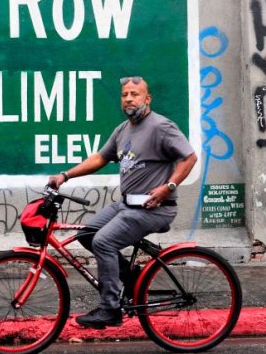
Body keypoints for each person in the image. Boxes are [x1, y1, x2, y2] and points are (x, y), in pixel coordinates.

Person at [47, 75, 197, 329]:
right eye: (125, 94)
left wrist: (168, 187)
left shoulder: (161, 126)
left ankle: (109, 309)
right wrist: (65, 175)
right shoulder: (122, 130)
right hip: (127, 204)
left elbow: (189, 158)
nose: (129, 98)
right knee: (87, 234)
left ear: (147, 99)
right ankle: (132, 277)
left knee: (103, 242)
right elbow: (100, 158)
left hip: (154, 208)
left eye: (135, 94)